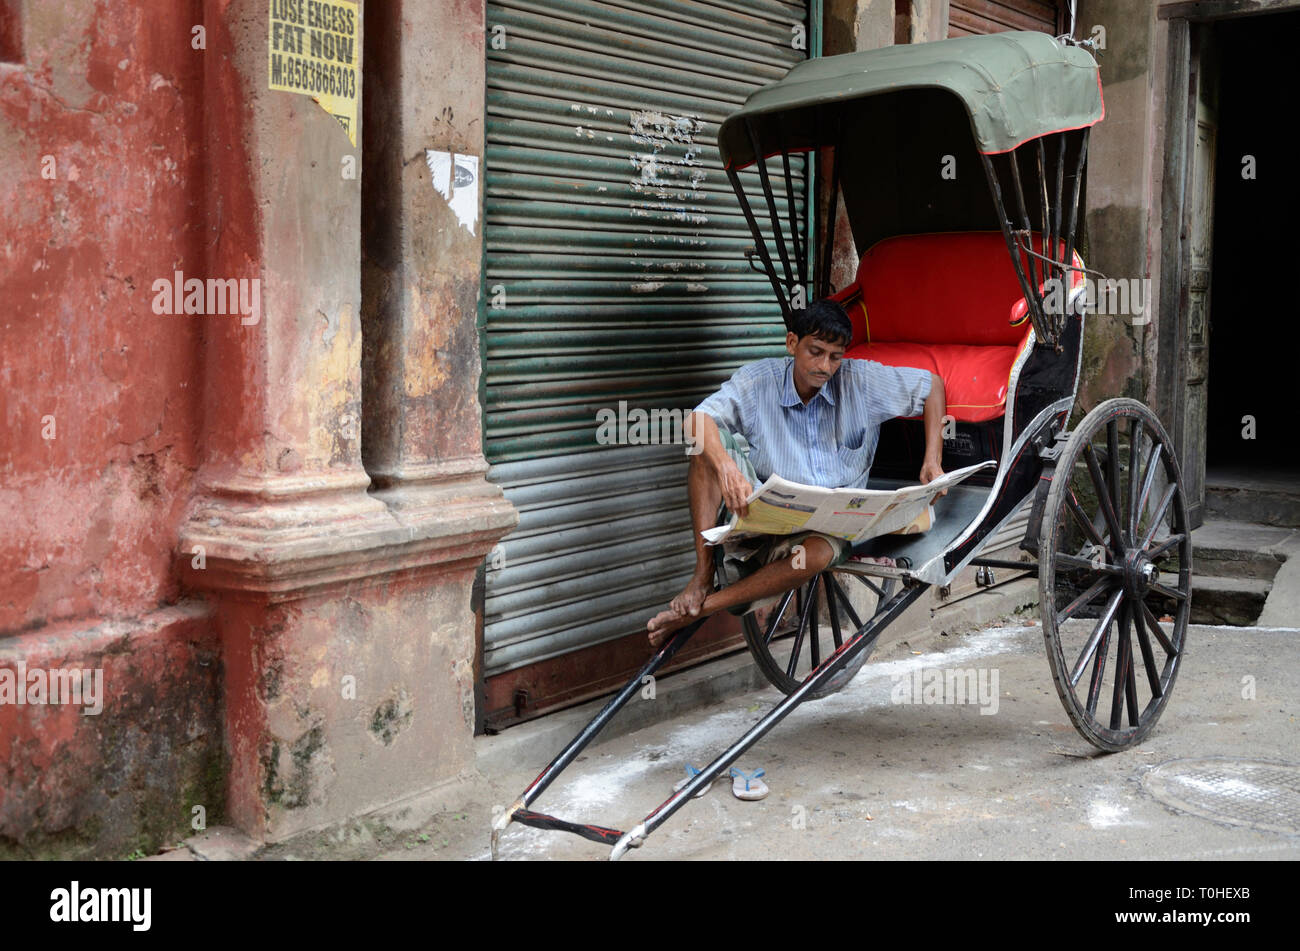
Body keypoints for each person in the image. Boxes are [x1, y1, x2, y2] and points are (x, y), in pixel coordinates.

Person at [646, 298, 947, 647]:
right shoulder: (760, 381)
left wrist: (932, 459)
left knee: (818, 554)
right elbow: (697, 419)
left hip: (828, 526)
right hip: (769, 512)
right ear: (792, 343)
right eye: (815, 352)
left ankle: (703, 607)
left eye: (835, 357)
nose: (825, 367)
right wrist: (726, 466)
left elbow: (932, 386)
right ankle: (702, 576)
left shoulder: (860, 380)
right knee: (702, 447)